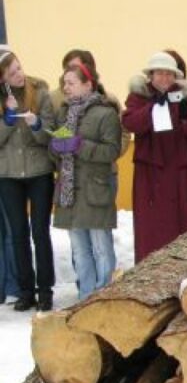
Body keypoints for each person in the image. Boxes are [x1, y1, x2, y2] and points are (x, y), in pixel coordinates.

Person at [122, 51, 187, 262]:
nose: (164, 78)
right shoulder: (139, 96)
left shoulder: (186, 96)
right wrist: (152, 107)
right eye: (159, 73)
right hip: (151, 172)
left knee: (184, 224)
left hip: (181, 170)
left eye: (169, 74)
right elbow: (130, 122)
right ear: (151, 75)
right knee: (153, 227)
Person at [51, 62, 122, 300]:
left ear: (87, 84)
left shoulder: (106, 113)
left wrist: (80, 145)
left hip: (95, 191)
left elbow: (112, 151)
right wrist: (56, 147)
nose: (66, 88)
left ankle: (103, 297)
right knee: (80, 250)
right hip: (70, 192)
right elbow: (57, 152)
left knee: (101, 248)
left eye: (71, 83)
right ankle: (85, 296)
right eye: (64, 84)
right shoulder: (63, 113)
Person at [0, 51, 55, 311]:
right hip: (8, 175)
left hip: (39, 173)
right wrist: (7, 119)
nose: (19, 75)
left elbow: (51, 134)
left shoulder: (40, 92)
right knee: (18, 234)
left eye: (19, 69)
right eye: (12, 73)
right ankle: (25, 291)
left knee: (40, 232)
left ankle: (45, 290)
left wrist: (37, 125)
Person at [0, 44, 22, 304]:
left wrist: (10, 116)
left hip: (8, 171)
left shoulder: (22, 94)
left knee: (10, 229)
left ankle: (14, 283)